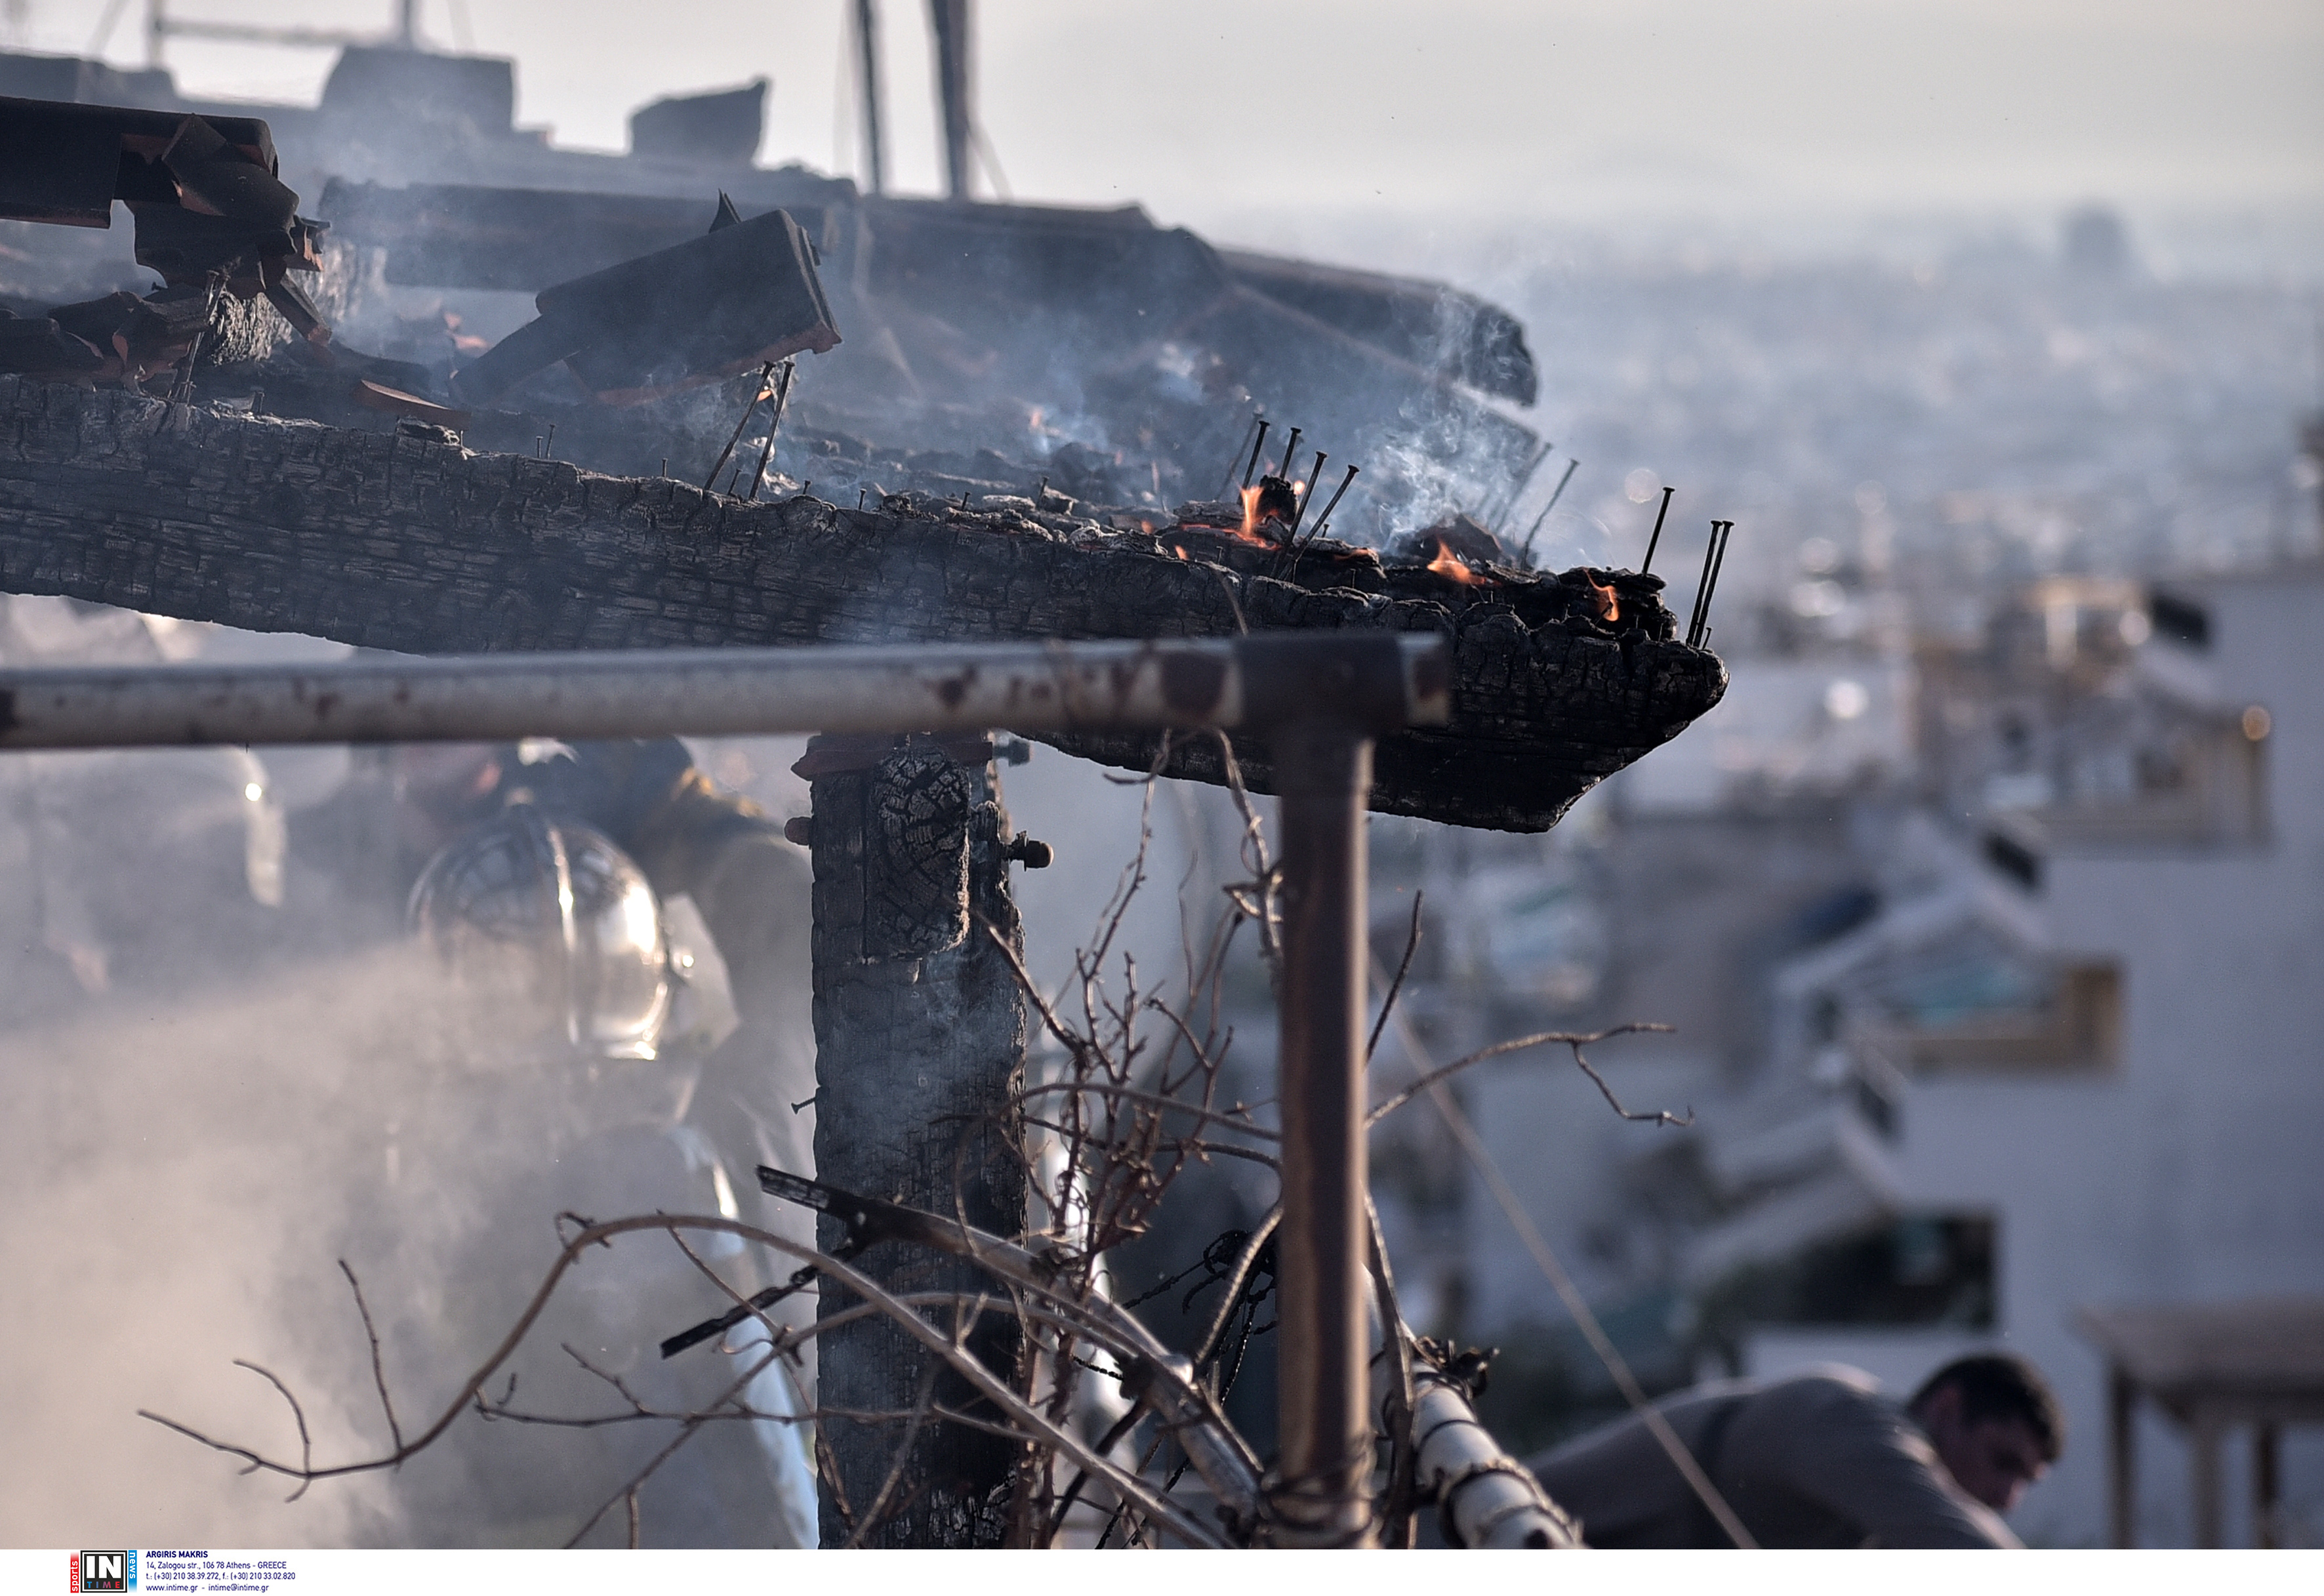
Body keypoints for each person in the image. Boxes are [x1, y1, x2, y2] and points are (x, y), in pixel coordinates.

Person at [1525, 1353, 2063, 1547]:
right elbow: (1958, 1545)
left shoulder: (1875, 1510)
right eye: (2003, 1461)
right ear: (1946, 1407)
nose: (2006, 1497)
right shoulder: (1849, 1416)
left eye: (2024, 1482)